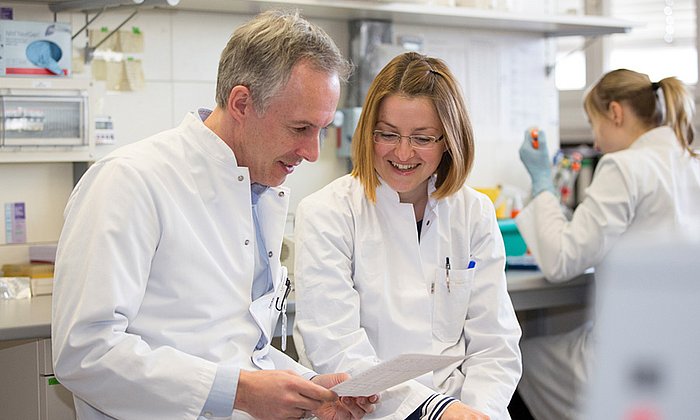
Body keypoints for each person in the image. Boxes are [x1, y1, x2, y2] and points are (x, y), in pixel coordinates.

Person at [51, 10, 378, 420]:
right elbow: (85, 352)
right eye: (299, 129)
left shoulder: (258, 190)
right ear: (242, 103)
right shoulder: (130, 181)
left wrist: (309, 392)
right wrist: (239, 391)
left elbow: (239, 347)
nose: (312, 152)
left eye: (322, 129)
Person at [292, 51, 523, 420]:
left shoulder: (472, 212)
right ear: (368, 132)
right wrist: (437, 412)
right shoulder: (328, 212)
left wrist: (480, 412)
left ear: (448, 140)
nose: (402, 152)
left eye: (422, 138)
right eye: (387, 134)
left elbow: (494, 344)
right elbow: (335, 348)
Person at [515, 68, 700, 420]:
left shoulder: (623, 166)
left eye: (593, 123)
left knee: (518, 360)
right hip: (688, 352)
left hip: (630, 358)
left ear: (615, 112)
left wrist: (542, 182)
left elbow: (561, 260)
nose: (595, 142)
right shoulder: (692, 163)